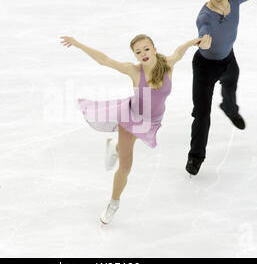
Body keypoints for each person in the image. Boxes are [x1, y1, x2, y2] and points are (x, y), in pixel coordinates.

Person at [60, 34, 209, 224]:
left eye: (146, 49)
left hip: (153, 121)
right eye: (138, 52)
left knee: (128, 145)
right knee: (125, 165)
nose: (143, 54)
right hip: (131, 117)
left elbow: (179, 52)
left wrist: (192, 42)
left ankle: (115, 147)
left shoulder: (168, 65)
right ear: (135, 56)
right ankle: (114, 203)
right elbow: (104, 60)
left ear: (154, 49)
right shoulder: (134, 71)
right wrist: (78, 44)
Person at [186, 0, 257, 176]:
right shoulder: (205, 16)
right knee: (202, 114)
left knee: (230, 85)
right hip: (205, 68)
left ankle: (229, 109)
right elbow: (203, 32)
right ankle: (196, 156)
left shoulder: (235, 0)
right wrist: (203, 42)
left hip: (228, 60)